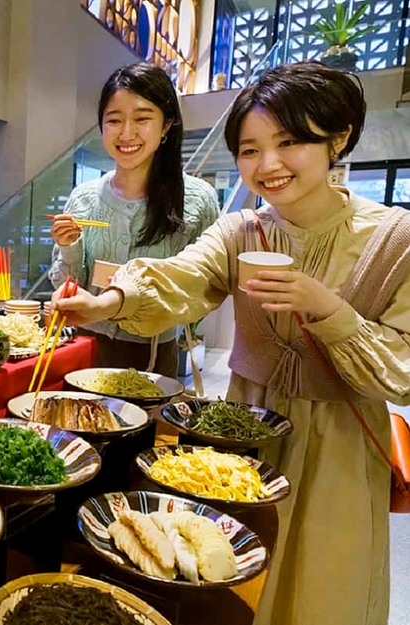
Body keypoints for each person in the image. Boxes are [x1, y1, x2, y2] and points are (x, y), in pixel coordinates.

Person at [51, 61, 408, 625]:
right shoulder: (242, 230)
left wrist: (330, 310)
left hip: (338, 443)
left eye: (288, 142)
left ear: (338, 138)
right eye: (249, 149)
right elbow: (184, 275)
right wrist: (109, 302)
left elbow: (402, 370)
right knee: (226, 575)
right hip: (243, 432)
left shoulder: (396, 240)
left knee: (322, 587)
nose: (268, 165)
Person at [48, 62, 218, 378]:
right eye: (114, 120)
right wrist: (69, 248)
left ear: (166, 125)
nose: (126, 133)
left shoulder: (197, 199)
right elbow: (66, 284)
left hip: (153, 354)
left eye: (142, 118)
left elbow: (202, 288)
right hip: (84, 345)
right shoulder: (83, 198)